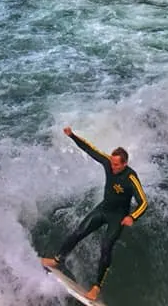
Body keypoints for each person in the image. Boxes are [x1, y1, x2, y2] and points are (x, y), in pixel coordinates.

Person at [40, 127, 148, 301]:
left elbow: (143, 202)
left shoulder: (131, 178)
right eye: (112, 163)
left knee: (106, 248)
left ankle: (96, 287)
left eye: (116, 165)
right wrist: (72, 136)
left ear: (124, 164)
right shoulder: (108, 162)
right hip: (103, 209)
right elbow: (90, 149)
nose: (112, 167)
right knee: (79, 232)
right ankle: (57, 259)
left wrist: (132, 216)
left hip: (117, 218)